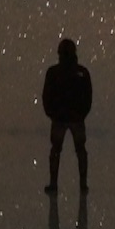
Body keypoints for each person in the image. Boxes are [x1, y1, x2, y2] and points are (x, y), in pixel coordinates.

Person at [42, 38, 92, 193]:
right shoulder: (82, 72)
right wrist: (81, 114)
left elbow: (46, 96)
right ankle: (82, 185)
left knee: (56, 150)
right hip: (74, 118)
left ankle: (54, 184)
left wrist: (53, 114)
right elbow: (88, 97)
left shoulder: (54, 72)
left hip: (61, 118)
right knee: (80, 150)